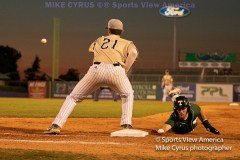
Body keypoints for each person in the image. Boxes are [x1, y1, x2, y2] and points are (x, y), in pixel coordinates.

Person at [44, 19, 139, 134]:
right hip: (116, 70)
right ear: (121, 31)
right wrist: (125, 69)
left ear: (108, 29)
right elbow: (133, 53)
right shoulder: (128, 42)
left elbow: (93, 49)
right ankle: (126, 125)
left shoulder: (99, 39)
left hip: (96, 69)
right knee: (128, 94)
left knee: (73, 98)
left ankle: (56, 125)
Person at [153, 94, 220, 135]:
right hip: (178, 130)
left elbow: (199, 110)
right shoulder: (174, 117)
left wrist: (207, 125)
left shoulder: (193, 109)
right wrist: (161, 131)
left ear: (188, 108)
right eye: (178, 109)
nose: (181, 111)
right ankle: (174, 95)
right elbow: (166, 127)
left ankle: (174, 95)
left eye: (183, 109)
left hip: (192, 124)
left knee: (193, 122)